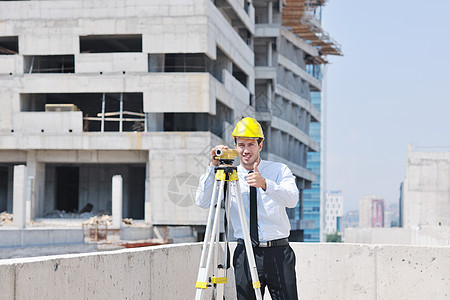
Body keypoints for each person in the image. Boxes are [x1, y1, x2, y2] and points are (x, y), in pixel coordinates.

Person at [195, 117, 299, 299]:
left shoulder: (279, 170)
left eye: (251, 144)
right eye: (241, 145)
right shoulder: (229, 175)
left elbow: (292, 199)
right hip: (245, 252)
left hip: (278, 253)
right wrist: (212, 167)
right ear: (235, 146)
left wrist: (266, 184)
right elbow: (203, 201)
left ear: (260, 145)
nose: (245, 150)